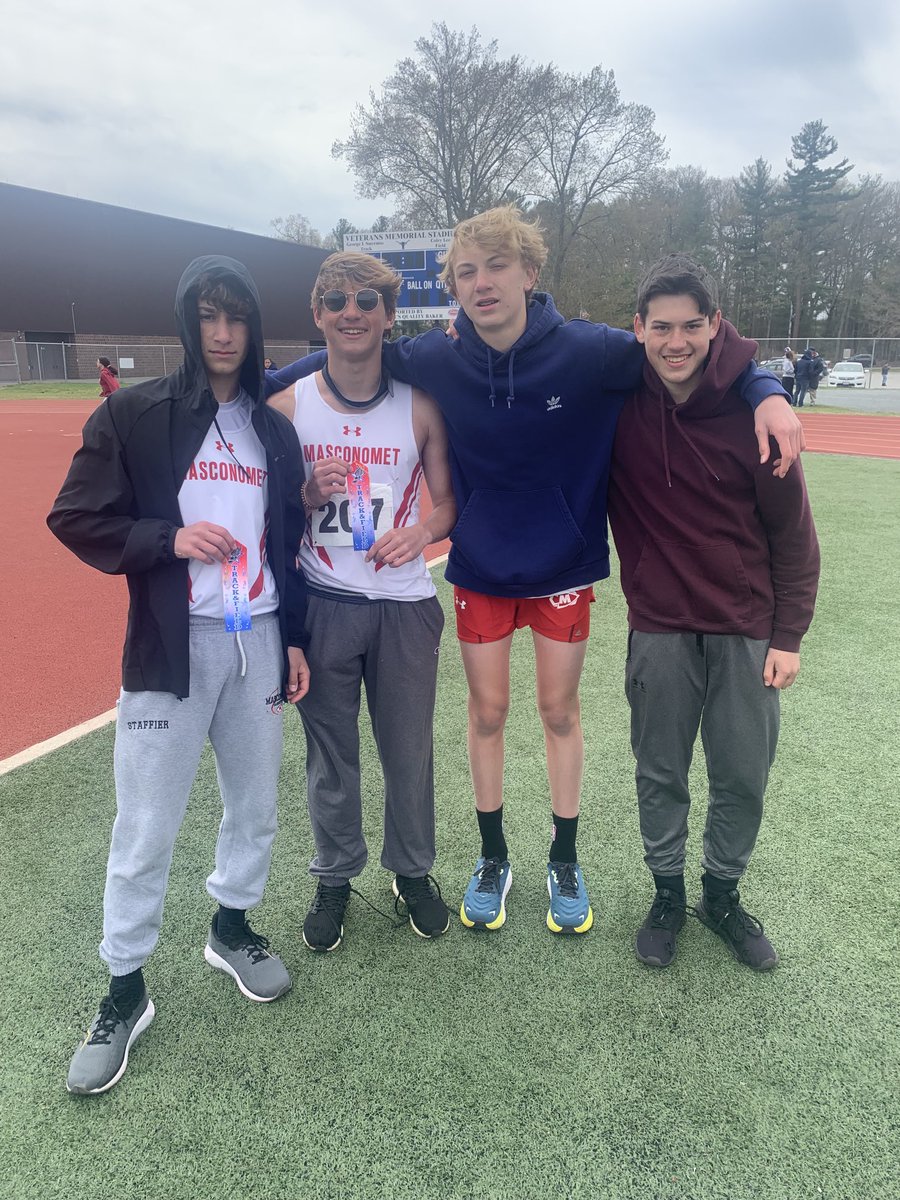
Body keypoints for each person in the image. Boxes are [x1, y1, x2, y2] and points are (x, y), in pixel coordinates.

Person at [268, 206, 804, 938]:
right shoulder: (436, 356)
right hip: (482, 566)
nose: (482, 283)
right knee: (486, 715)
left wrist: (766, 388)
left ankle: (565, 859)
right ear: (453, 287)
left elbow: (690, 349)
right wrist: (252, 382)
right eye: (466, 272)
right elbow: (347, 356)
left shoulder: (591, 351)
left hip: (562, 566)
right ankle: (493, 858)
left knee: (559, 713)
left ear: (529, 272)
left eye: (496, 266)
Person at [48, 255, 311, 1095]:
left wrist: (294, 638)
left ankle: (231, 927)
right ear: (188, 323)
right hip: (170, 649)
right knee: (147, 825)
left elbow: (286, 548)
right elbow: (77, 516)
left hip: (258, 639)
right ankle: (124, 990)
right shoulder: (136, 412)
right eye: (208, 316)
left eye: (236, 317)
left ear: (254, 326)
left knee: (258, 805)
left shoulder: (273, 431)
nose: (224, 333)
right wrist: (170, 539)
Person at [608, 254, 819, 971]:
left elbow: (795, 536)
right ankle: (667, 893)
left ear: (716, 325)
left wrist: (788, 635)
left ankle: (721, 896)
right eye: (661, 326)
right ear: (637, 329)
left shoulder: (758, 418)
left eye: (691, 326)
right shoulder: (617, 397)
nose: (676, 341)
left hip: (746, 627)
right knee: (658, 770)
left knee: (741, 776)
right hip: (659, 625)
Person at [268, 252, 456, 949]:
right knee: (330, 754)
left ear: (388, 316)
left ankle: (412, 872)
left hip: (404, 606)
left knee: (408, 751)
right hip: (323, 605)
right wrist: (303, 493)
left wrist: (418, 532)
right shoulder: (286, 409)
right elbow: (261, 509)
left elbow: (449, 507)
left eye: (367, 301)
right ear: (317, 313)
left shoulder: (420, 407)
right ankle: (335, 875)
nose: (352, 312)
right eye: (337, 300)